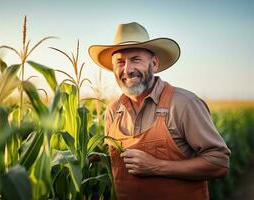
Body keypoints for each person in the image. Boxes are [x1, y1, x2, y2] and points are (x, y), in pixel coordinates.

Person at [88, 22, 230, 200]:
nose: (127, 69)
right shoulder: (112, 111)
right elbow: (118, 166)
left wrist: (156, 166)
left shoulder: (183, 103)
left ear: (154, 64)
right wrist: (94, 158)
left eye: (135, 59)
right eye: (120, 62)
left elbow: (219, 163)